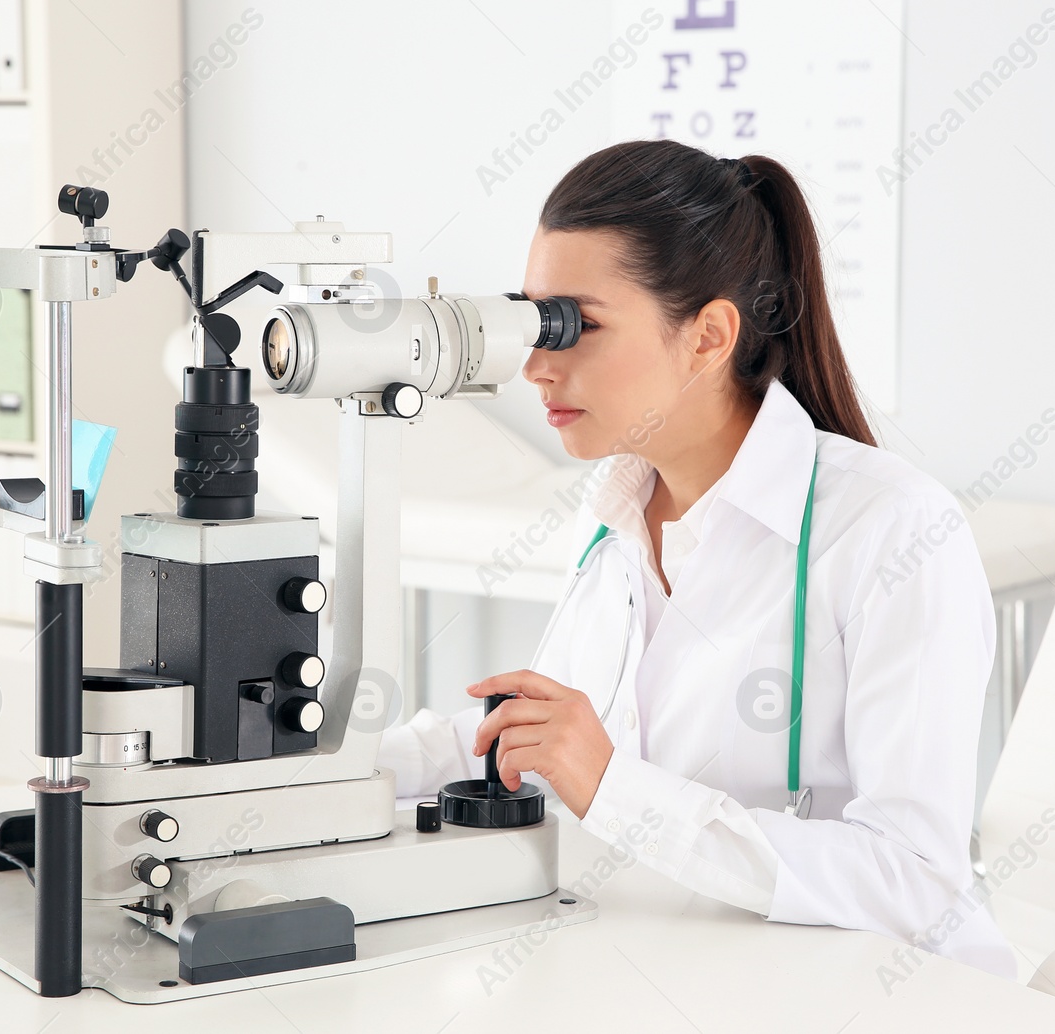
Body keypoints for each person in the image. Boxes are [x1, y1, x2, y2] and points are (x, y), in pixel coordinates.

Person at [377, 139, 1016, 979]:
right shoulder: (615, 510)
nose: (535, 366)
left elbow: (915, 881)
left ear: (710, 336)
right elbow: (538, 740)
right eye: (533, 320)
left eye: (577, 325)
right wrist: (334, 777)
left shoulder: (893, 532)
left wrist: (612, 787)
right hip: (684, 975)